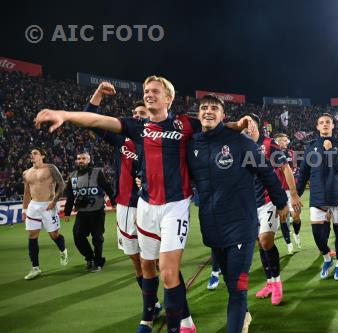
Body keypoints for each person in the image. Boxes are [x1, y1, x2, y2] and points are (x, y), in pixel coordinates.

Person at [35, 75, 252, 333]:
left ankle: (178, 327)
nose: (148, 94)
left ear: (168, 98)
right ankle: (163, 319)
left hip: (175, 206)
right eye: (146, 90)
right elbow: (96, 120)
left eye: (155, 91)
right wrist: (65, 115)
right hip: (146, 207)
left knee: (169, 274)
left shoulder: (185, 124)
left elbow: (214, 126)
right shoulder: (137, 127)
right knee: (149, 267)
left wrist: (239, 126)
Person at [187, 95, 288, 332]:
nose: (208, 111)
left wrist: (282, 202)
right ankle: (243, 314)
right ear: (198, 114)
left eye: (214, 108)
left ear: (223, 115)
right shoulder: (191, 144)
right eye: (204, 108)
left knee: (238, 287)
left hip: (241, 225)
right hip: (212, 228)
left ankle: (240, 318)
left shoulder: (240, 142)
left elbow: (267, 172)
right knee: (230, 283)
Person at [84, 82, 162, 317]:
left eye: (143, 114)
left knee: (158, 260)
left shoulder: (160, 140)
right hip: (126, 206)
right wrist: (98, 94)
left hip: (153, 204)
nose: (138, 117)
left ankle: (175, 306)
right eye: (135, 114)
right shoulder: (121, 141)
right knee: (136, 260)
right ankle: (152, 303)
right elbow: (90, 119)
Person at [243, 113, 302, 306]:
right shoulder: (239, 145)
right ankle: (269, 282)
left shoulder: (268, 144)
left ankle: (276, 283)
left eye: (249, 123)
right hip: (250, 202)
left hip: (269, 199)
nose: (245, 126)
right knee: (261, 243)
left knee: (266, 240)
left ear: (257, 126)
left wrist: (292, 194)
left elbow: (285, 168)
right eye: (243, 123)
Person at [296, 113, 338, 280]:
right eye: (321, 122)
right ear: (317, 127)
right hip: (318, 195)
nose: (325, 124)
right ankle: (327, 257)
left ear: (333, 126)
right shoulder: (310, 147)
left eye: (328, 122)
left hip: (337, 193)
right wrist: (295, 195)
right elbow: (304, 173)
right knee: (317, 234)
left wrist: (330, 151)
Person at [64, 151, 116, 272]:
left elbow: (108, 188)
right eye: (78, 158)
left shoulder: (97, 172)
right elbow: (70, 196)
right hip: (82, 213)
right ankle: (90, 258)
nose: (80, 160)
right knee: (77, 236)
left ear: (88, 160)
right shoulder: (72, 176)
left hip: (97, 211)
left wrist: (114, 202)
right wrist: (67, 212)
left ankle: (98, 262)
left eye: (83, 158)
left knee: (97, 238)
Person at [22, 147, 68, 280]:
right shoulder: (26, 173)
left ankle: (63, 250)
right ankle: (35, 267)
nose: (32, 155)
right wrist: (24, 210)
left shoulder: (51, 168)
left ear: (42, 156)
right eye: (31, 153)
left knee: (54, 235)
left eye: (35, 153)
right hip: (33, 206)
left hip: (48, 205)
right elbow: (26, 192)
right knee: (32, 235)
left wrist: (54, 201)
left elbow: (61, 184)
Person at [274, 133, 303, 252]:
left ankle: (296, 233)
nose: (287, 142)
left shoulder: (291, 153)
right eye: (284, 140)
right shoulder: (272, 154)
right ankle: (289, 243)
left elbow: (295, 168)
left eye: (287, 140)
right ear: (277, 142)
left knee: (296, 217)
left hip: (292, 190)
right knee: (283, 218)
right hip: (279, 190)